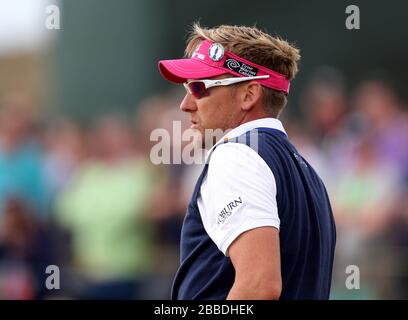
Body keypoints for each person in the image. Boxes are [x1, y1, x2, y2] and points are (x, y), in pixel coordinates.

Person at [157, 24, 336, 300]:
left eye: (198, 87)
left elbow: (259, 286)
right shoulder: (306, 170)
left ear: (249, 95)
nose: (186, 104)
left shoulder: (237, 156)